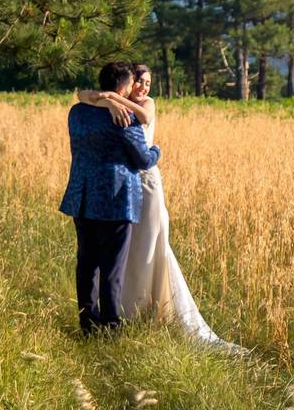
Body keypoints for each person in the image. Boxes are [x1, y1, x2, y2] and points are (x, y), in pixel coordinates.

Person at [78, 63, 247, 356]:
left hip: (145, 185)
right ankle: (120, 311)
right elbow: (81, 94)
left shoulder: (141, 106)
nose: (143, 87)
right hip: (125, 185)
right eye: (138, 82)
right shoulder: (114, 109)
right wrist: (107, 99)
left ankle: (143, 307)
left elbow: (144, 117)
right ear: (128, 84)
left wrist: (112, 99)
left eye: (147, 82)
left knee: (148, 245)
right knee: (122, 253)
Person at [59, 61, 161, 334]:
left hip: (82, 195)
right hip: (116, 199)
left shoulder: (77, 113)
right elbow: (142, 159)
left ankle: (87, 322)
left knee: (87, 263)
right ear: (123, 87)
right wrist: (157, 151)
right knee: (112, 268)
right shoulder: (124, 117)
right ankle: (111, 326)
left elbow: (84, 98)